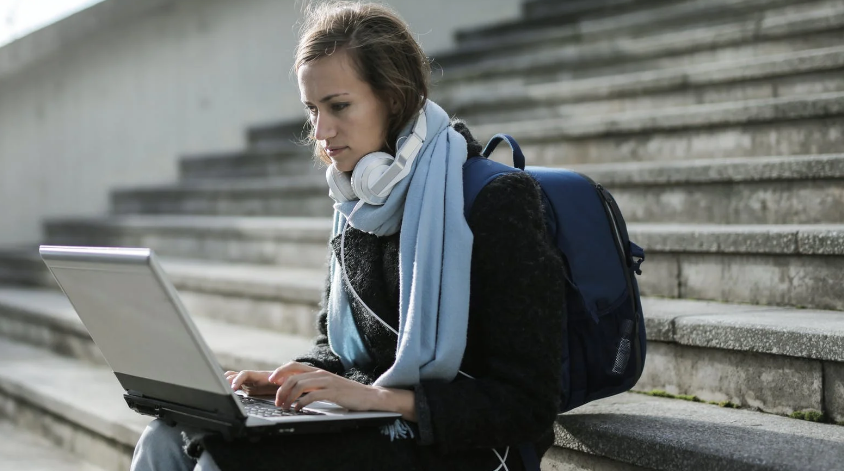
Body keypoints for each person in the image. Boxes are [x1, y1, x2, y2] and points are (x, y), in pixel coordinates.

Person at [130, 2, 566, 470]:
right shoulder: (358, 200)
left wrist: (377, 398)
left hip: (466, 447)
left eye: (339, 106)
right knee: (165, 436)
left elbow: (529, 402)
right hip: (372, 423)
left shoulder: (497, 201)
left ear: (395, 98)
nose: (321, 131)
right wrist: (292, 378)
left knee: (224, 459)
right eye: (312, 110)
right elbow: (336, 347)